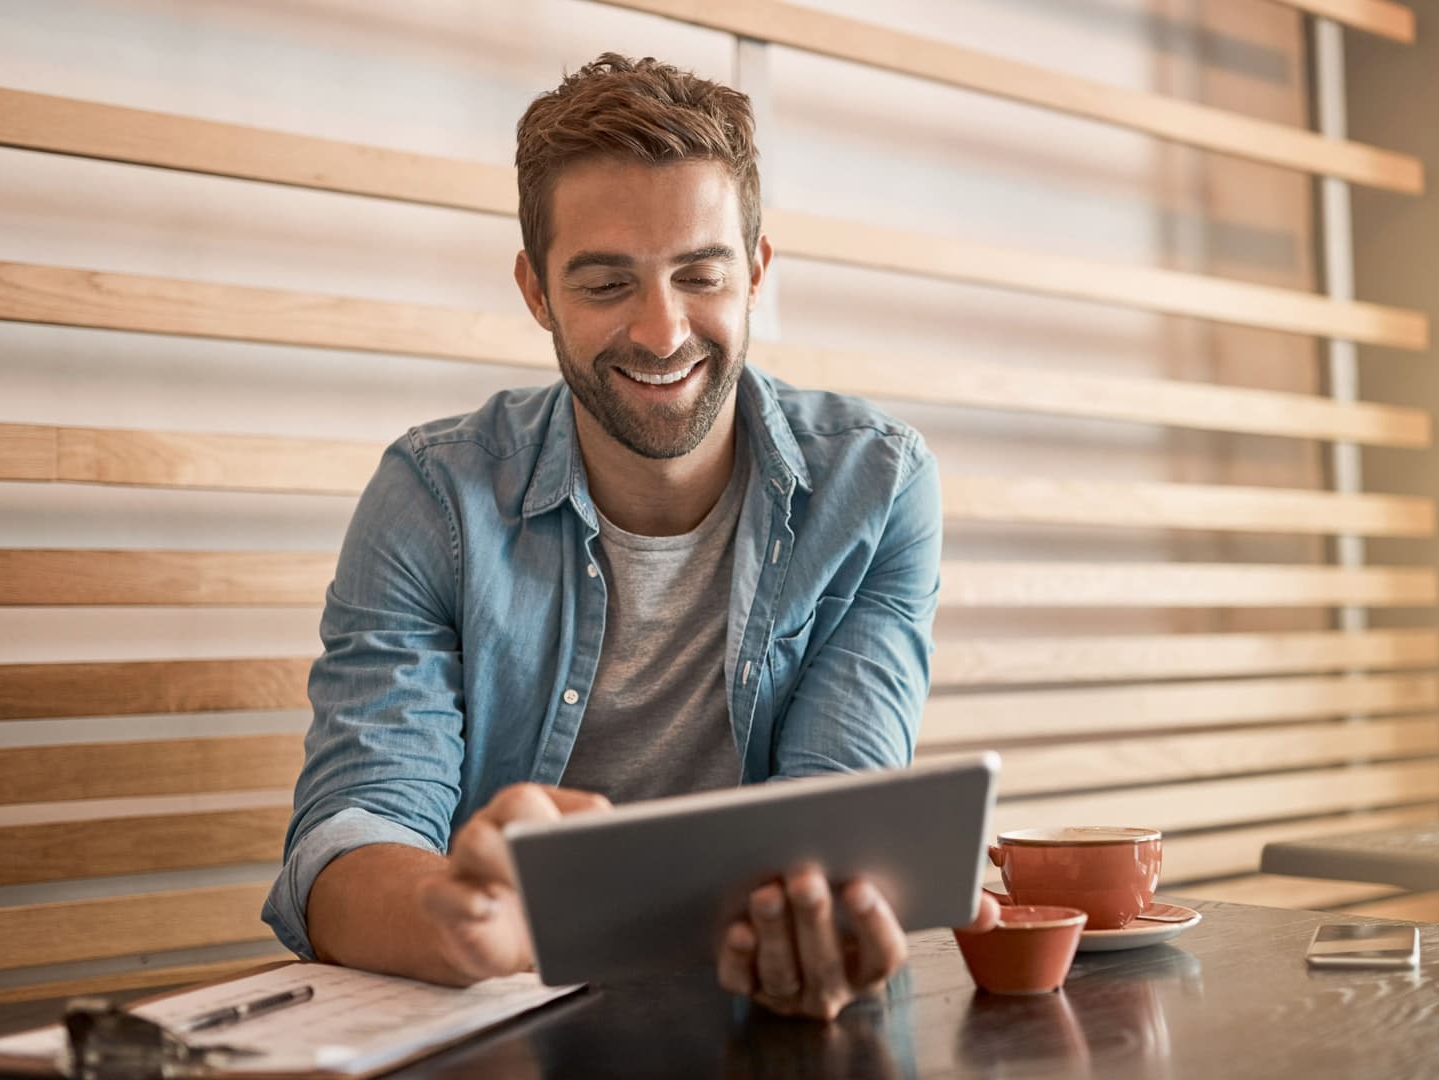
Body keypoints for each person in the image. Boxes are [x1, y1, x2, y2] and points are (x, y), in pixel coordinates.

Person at [260, 52, 992, 1022]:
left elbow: (835, 808)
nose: (661, 332)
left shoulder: (876, 486)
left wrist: (823, 924)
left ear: (756, 272)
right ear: (535, 291)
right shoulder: (432, 497)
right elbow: (351, 829)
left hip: (758, 1018)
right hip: (511, 1015)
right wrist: (451, 913)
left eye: (701, 275)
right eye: (607, 284)